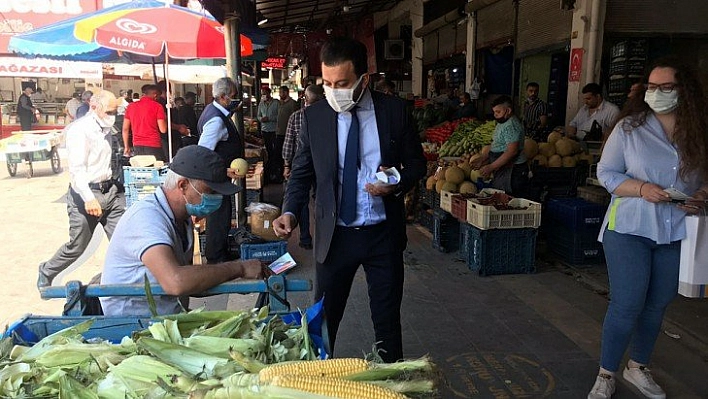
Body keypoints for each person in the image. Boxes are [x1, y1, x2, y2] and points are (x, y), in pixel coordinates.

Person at [272, 37, 426, 363]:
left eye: (342, 83)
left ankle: (393, 382)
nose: (333, 91)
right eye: (327, 83)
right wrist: (289, 212)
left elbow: (416, 165)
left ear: (363, 79)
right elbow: (301, 173)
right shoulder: (313, 118)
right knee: (324, 320)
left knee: (387, 320)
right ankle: (318, 378)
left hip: (382, 235)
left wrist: (395, 181)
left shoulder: (394, 112)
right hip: (335, 236)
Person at [587, 58, 708, 399]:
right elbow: (607, 174)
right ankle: (606, 372)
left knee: (657, 305)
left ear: (684, 91)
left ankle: (638, 367)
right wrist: (641, 188)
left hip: (676, 230)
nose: (657, 93)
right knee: (627, 303)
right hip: (629, 227)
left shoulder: (697, 130)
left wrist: (700, 194)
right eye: (652, 87)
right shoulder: (630, 128)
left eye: (665, 87)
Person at [99, 145, 262, 316]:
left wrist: (236, 280)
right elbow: (176, 282)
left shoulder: (182, 220)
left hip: (169, 316)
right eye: (210, 191)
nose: (216, 198)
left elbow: (189, 282)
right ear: (183, 185)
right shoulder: (147, 218)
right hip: (135, 323)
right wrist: (238, 268)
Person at [37, 91, 126, 289]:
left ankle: (125, 276)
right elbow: (76, 171)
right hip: (86, 193)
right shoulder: (79, 130)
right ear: (94, 107)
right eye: (110, 111)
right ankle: (47, 270)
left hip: (110, 190)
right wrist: (88, 198)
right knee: (78, 245)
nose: (114, 115)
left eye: (115, 111)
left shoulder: (107, 128)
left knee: (124, 238)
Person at [197, 77, 245, 264]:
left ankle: (220, 251)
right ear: (223, 97)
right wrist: (223, 171)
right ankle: (216, 257)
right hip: (216, 177)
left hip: (219, 176)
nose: (235, 99)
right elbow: (203, 152)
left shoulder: (215, 110)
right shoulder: (216, 121)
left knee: (222, 213)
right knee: (219, 215)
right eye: (233, 96)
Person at [282, 84, 325, 250]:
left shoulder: (297, 116)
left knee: (302, 201)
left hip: (302, 166)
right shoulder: (330, 116)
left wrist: (287, 164)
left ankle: (305, 238)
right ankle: (323, 237)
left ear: (305, 99)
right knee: (322, 200)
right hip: (322, 167)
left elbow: (289, 143)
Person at [472, 95, 529, 197]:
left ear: (508, 110)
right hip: (504, 169)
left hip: (513, 171)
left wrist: (491, 166)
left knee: (509, 201)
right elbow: (496, 143)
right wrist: (483, 158)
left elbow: (512, 151)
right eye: (494, 112)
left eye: (498, 112)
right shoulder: (502, 122)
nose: (495, 115)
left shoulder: (511, 126)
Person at [122, 84, 167, 161]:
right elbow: (163, 129)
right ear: (155, 95)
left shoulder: (131, 106)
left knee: (141, 171)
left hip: (137, 145)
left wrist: (126, 146)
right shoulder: (157, 106)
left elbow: (125, 129)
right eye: (159, 96)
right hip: (154, 145)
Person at [157, 80, 190, 159]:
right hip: (166, 138)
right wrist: (179, 127)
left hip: (168, 136)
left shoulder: (165, 102)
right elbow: (165, 122)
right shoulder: (161, 104)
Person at [273, 85, 297, 184]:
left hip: (288, 134)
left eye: (281, 92)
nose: (279, 94)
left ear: (286, 93)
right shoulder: (280, 104)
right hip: (279, 133)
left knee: (288, 155)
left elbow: (295, 119)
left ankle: (288, 175)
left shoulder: (293, 104)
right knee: (278, 155)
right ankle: (280, 175)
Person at [257, 87, 279, 183]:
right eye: (262, 93)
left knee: (274, 152)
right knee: (267, 151)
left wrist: (269, 118)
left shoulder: (276, 103)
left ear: (269, 93)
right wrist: (260, 119)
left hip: (274, 130)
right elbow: (258, 115)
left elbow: (279, 115)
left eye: (265, 93)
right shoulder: (261, 104)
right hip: (264, 130)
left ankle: (274, 171)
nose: (263, 95)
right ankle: (268, 171)